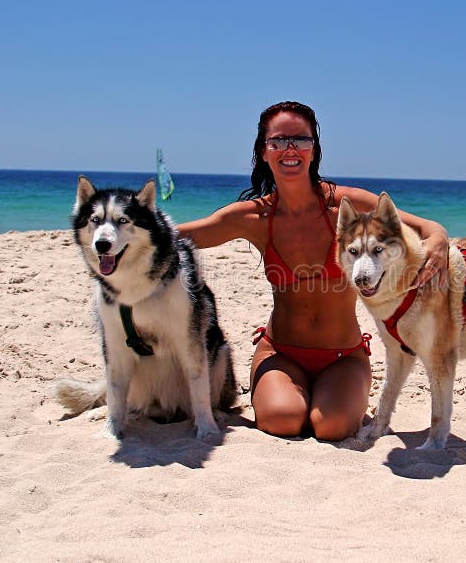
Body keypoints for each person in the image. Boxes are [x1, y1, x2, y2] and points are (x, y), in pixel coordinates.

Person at [177, 101, 449, 441]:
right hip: (281, 354)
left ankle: (335, 396)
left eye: (300, 140)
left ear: (314, 150)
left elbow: (424, 227)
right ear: (264, 151)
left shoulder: (347, 206)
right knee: (282, 420)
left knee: (330, 427)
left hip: (342, 357)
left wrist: (438, 239)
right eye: (278, 141)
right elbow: (176, 237)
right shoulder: (253, 218)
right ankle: (290, 392)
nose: (290, 149)